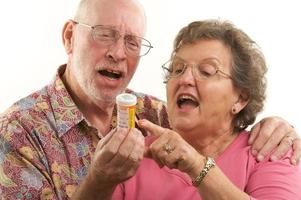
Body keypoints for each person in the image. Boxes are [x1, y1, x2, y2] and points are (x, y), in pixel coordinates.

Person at [0, 0, 299, 199]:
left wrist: (278, 124)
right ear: (69, 37)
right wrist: (100, 180)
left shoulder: (155, 115)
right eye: (105, 34)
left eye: (132, 42)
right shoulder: (17, 133)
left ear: (241, 97)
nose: (118, 53)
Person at [112, 19, 301, 199]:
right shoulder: (136, 153)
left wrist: (197, 165)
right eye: (177, 69)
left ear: (241, 99)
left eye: (207, 71)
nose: (184, 79)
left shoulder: (270, 151)